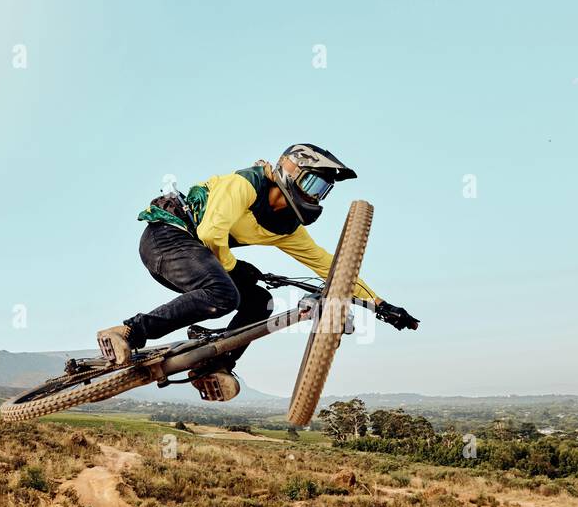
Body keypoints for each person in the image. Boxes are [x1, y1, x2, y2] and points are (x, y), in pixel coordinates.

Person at [97, 143, 418, 401]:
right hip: (165, 239)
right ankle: (127, 332)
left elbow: (330, 266)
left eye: (323, 191)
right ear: (290, 172)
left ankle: (216, 366)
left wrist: (380, 305)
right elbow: (210, 233)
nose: (316, 196)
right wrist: (237, 267)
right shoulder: (245, 185)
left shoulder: (287, 229)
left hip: (197, 254)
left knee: (260, 301)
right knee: (224, 293)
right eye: (313, 183)